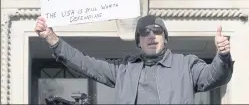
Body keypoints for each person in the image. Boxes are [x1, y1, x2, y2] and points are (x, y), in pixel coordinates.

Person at [34, 15, 234, 104]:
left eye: (157, 31)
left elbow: (214, 76)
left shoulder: (186, 65)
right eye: (144, 33)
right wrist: (52, 38)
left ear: (165, 38)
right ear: (139, 40)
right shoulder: (124, 69)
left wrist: (222, 55)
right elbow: (86, 64)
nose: (151, 36)